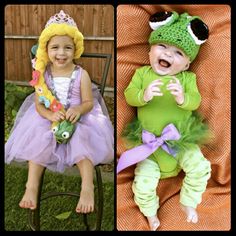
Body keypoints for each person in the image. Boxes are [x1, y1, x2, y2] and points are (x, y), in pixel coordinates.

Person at [5, 10, 114, 214]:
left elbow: (89, 102)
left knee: (83, 140)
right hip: (48, 119)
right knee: (39, 140)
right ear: (46, 50)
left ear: (75, 50)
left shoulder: (82, 74)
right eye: (55, 47)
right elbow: (39, 106)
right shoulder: (42, 76)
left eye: (67, 48)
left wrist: (79, 109)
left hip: (79, 119)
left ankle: (87, 187)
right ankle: (31, 186)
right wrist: (49, 115)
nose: (61, 53)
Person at [117, 11, 211, 230]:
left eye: (178, 53)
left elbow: (195, 101)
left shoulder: (187, 79)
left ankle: (189, 202)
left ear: (187, 64)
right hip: (150, 147)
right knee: (142, 183)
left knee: (201, 168)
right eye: (162, 47)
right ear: (150, 51)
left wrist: (182, 98)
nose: (168, 55)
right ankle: (151, 214)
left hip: (180, 142)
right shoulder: (142, 74)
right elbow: (130, 95)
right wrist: (144, 95)